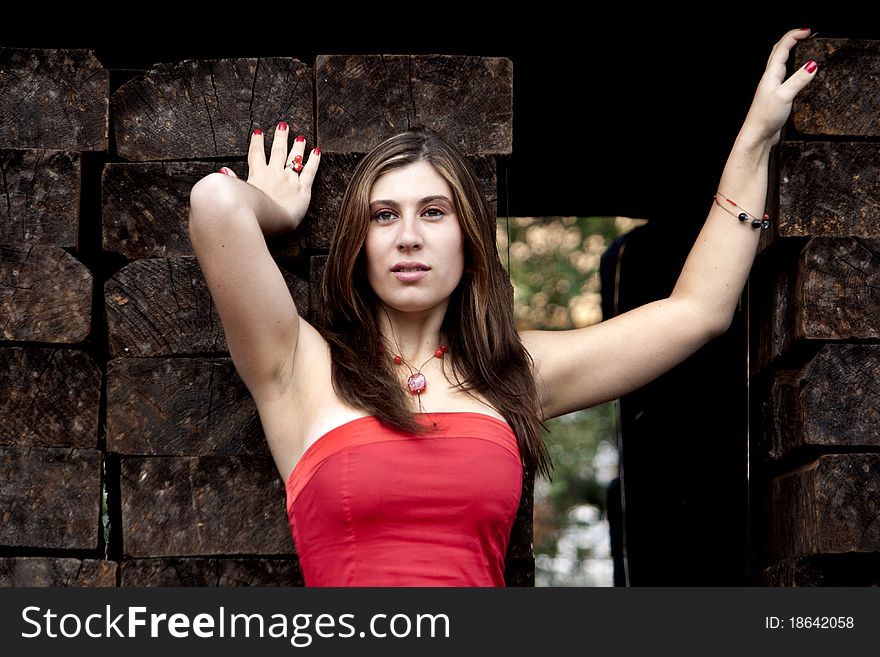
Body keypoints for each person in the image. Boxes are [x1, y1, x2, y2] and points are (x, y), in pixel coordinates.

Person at [187, 29, 817, 586]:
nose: (409, 236)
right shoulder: (297, 367)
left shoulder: (512, 372)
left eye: (434, 213)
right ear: (359, 244)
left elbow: (698, 311)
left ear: (467, 241)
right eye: (384, 217)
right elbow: (216, 203)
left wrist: (757, 135)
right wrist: (279, 209)